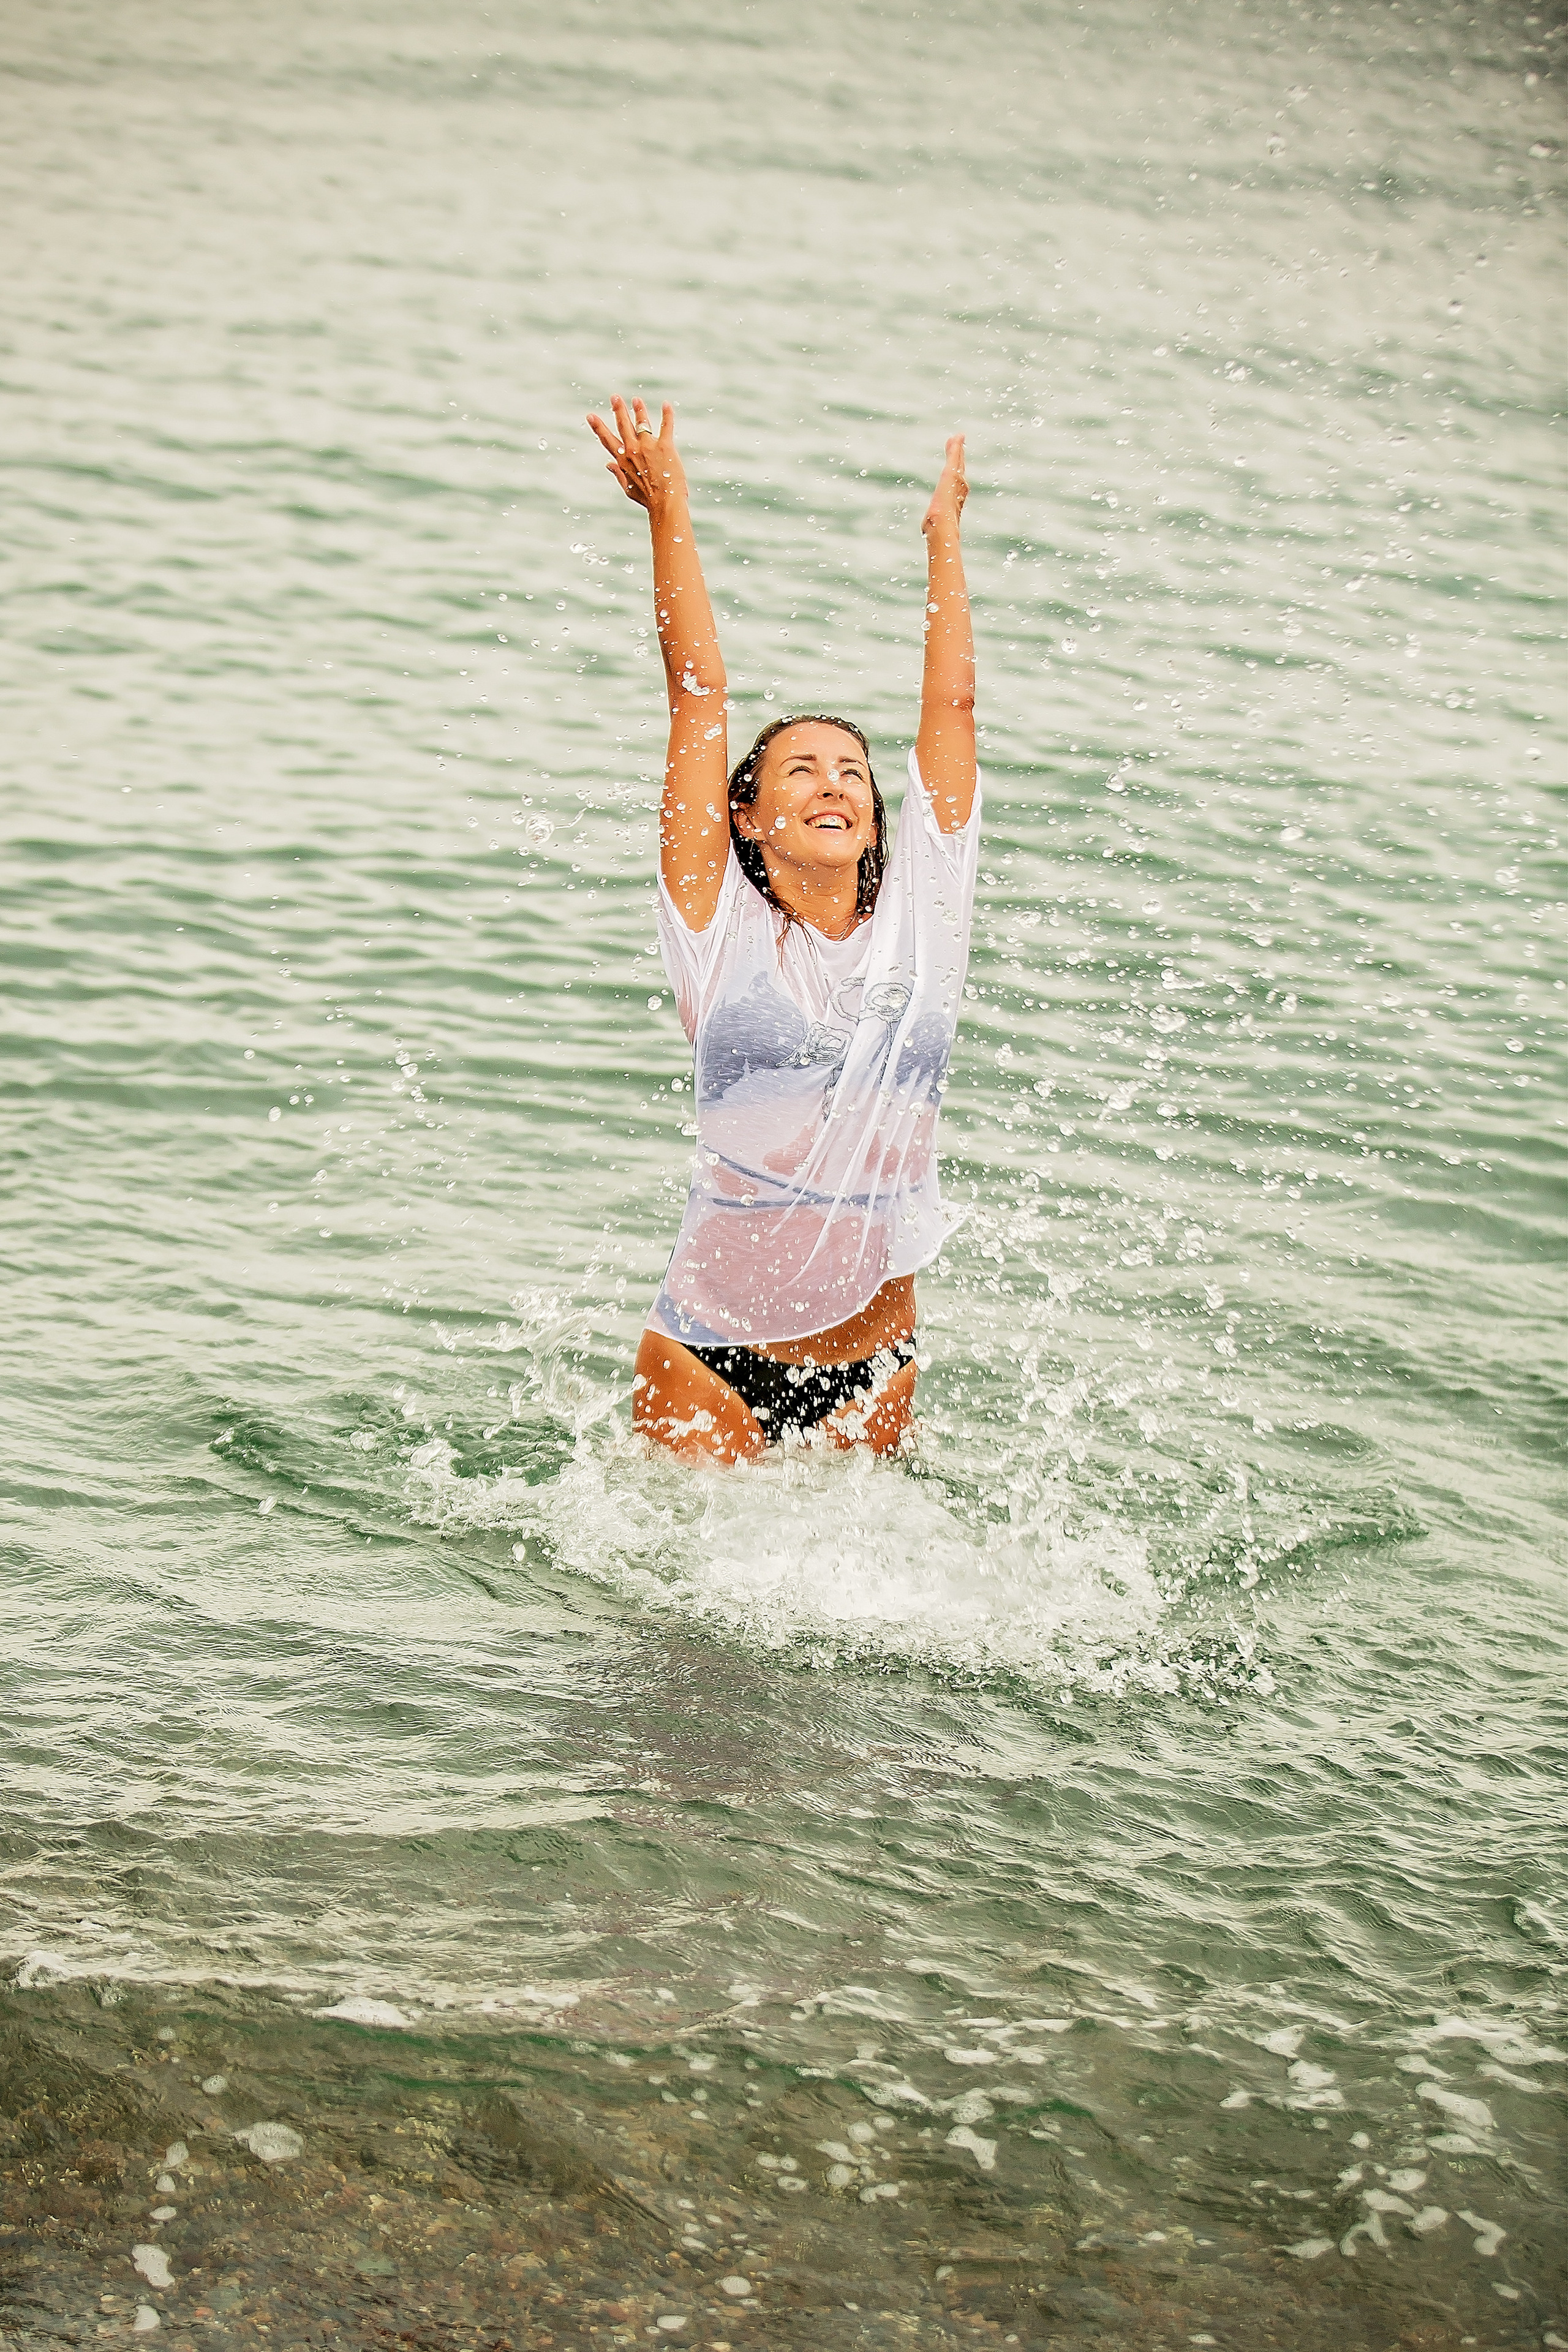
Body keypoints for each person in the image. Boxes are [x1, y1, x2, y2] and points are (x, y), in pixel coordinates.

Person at [585, 395, 980, 1466]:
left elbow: (951, 713)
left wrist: (944, 541)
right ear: (749, 819)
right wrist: (669, 508)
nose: (833, 782)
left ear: (876, 818)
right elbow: (697, 696)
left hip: (874, 1368)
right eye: (800, 770)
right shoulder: (716, 927)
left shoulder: (927, 918)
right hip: (708, 1353)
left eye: (851, 771)